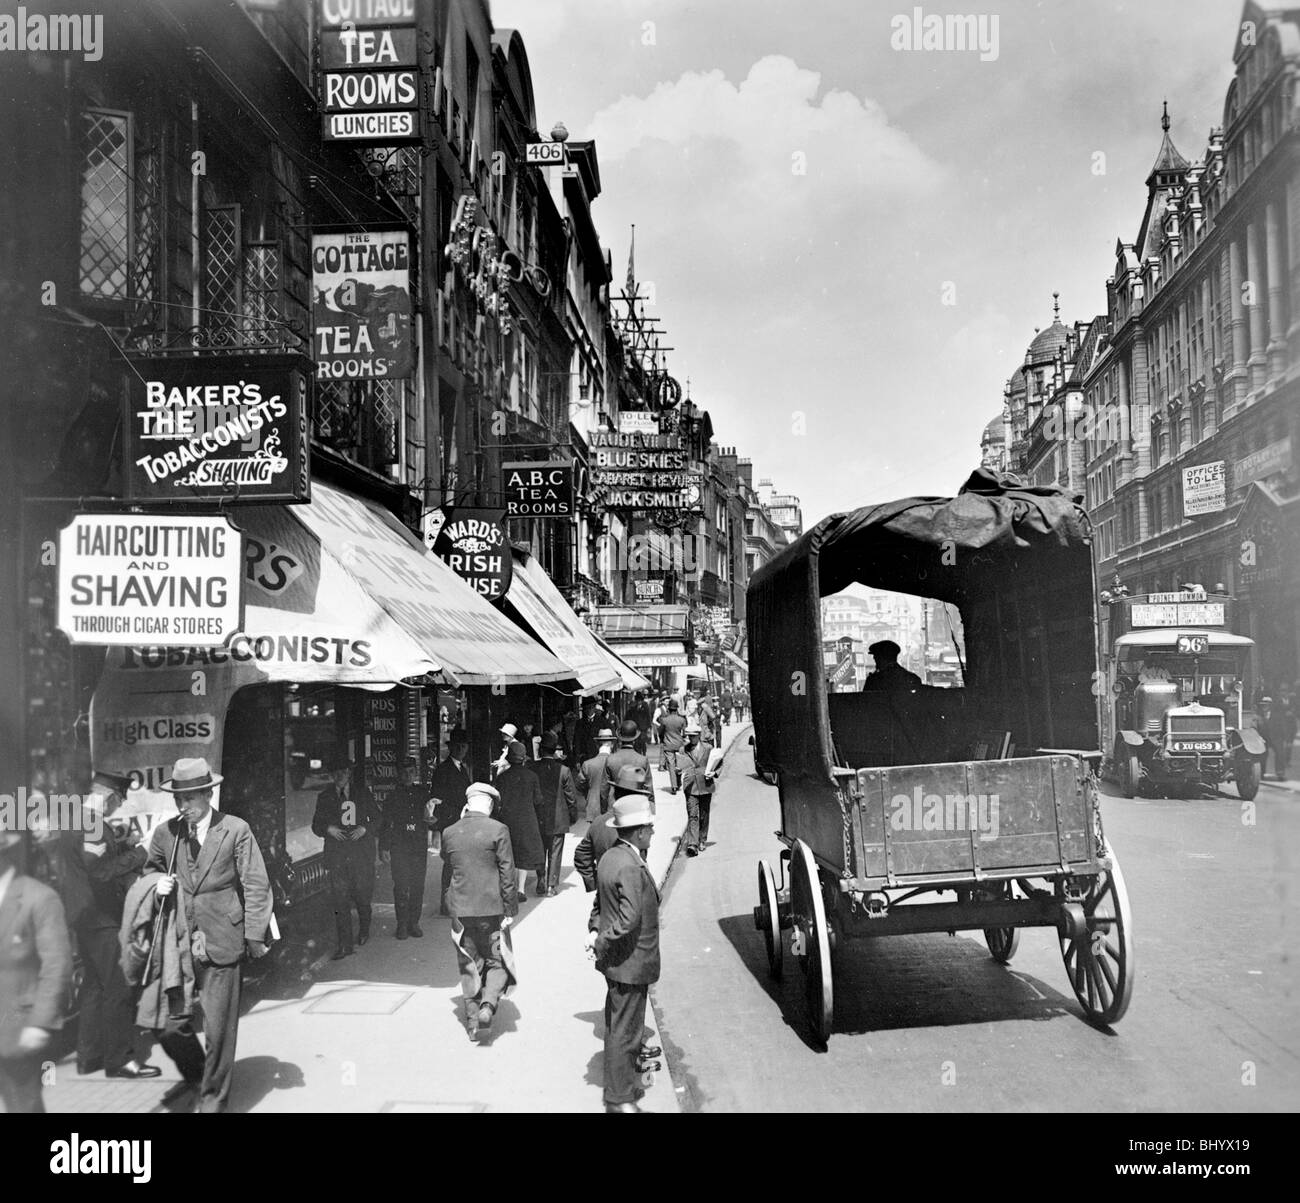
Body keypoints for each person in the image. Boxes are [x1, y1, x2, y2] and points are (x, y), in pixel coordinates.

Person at [146, 757, 272, 1114]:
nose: (182, 806)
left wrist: (253, 935)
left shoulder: (235, 830)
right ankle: (199, 1074)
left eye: (189, 798)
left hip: (222, 939)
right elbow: (144, 877)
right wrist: (157, 885)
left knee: (218, 1032)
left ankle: (213, 1100)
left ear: (207, 794)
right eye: (177, 799)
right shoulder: (164, 834)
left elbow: (255, 883)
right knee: (168, 1025)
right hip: (178, 943)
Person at [76, 772, 159, 1078]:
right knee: (119, 986)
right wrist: (141, 852)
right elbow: (100, 872)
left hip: (86, 918)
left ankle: (89, 1057)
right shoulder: (93, 823)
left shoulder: (79, 818)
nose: (118, 807)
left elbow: (92, 863)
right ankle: (119, 1059)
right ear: (110, 796)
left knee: (94, 986)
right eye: (119, 800)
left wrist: (123, 844)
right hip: (102, 919)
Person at [585, 795, 661, 1114]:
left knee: (619, 1024)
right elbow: (628, 919)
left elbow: (600, 906)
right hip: (631, 960)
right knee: (625, 1032)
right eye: (650, 828)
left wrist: (594, 931)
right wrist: (602, 941)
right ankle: (619, 1099)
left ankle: (624, 1086)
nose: (653, 833)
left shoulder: (610, 857)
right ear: (638, 831)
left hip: (617, 963)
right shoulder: (630, 865)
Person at [0, 817, 73, 1113]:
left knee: (23, 1105)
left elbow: (57, 965)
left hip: (22, 1028)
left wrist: (40, 1022)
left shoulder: (38, 898)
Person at [440, 783, 519, 1042]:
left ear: (468, 803)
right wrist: (510, 908)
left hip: (461, 911)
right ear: (489, 805)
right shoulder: (498, 830)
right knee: (497, 961)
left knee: (468, 963)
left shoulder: (450, 832)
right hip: (491, 910)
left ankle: (473, 1023)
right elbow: (508, 872)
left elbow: (447, 861)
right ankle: (488, 1004)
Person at [311, 752, 382, 959]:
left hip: (360, 855)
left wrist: (365, 829)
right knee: (340, 900)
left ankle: (365, 929)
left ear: (349, 773)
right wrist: (328, 829)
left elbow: (378, 818)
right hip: (337, 856)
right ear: (333, 775)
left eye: (344, 771)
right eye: (337, 772)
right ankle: (345, 944)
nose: (341, 775)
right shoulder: (324, 797)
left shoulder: (362, 793)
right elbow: (316, 825)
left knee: (361, 895)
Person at [574, 765, 651, 930]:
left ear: (615, 793)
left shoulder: (599, 822)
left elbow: (581, 856)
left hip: (606, 902)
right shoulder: (639, 824)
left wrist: (596, 882)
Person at [382, 758, 433, 939]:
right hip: (400, 846)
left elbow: (431, 815)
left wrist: (433, 821)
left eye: (411, 772)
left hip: (418, 845)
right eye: (404, 772)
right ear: (398, 774)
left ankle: (414, 922)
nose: (408, 775)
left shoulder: (423, 793)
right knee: (401, 885)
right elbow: (386, 823)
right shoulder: (393, 796)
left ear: (416, 773)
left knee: (418, 885)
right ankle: (402, 924)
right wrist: (385, 847)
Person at [493, 741, 546, 896]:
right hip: (527, 819)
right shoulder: (532, 776)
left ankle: (509, 887)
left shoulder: (502, 777)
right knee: (523, 854)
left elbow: (497, 799)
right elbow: (538, 800)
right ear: (524, 759)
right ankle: (521, 889)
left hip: (507, 818)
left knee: (509, 853)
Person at [532, 732, 578, 897]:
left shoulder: (532, 768)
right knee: (555, 851)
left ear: (541, 749)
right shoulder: (564, 771)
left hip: (538, 816)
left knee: (540, 849)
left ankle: (540, 879)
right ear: (554, 750)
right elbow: (571, 797)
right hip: (558, 817)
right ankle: (551, 885)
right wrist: (573, 816)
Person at [430, 732, 472, 913]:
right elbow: (438, 800)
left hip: (461, 823)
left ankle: (456, 901)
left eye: (464, 746)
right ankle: (446, 904)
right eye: (458, 746)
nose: (462, 750)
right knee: (450, 863)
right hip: (451, 823)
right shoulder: (443, 770)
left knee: (459, 863)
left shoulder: (462, 768)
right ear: (450, 748)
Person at [681, 721, 722, 856]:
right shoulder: (683, 750)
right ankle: (692, 844)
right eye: (689, 736)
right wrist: (678, 771)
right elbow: (680, 765)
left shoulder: (708, 748)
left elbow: (719, 763)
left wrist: (714, 773)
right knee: (692, 815)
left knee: (704, 815)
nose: (691, 738)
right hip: (690, 786)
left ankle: (702, 839)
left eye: (693, 736)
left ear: (699, 735)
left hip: (705, 784)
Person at [602, 720, 652, 814]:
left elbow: (604, 789)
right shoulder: (642, 760)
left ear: (620, 738)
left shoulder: (610, 759)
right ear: (635, 739)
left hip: (615, 807)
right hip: (636, 807)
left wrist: (605, 811)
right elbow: (648, 789)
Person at [577, 727, 616, 821]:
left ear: (597, 745)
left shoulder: (587, 764)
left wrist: (589, 794)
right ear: (612, 745)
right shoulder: (617, 763)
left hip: (593, 808)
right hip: (613, 809)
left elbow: (580, 784)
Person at [1259, 697, 1297, 780]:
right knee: (1262, 754)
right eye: (1263, 705)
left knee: (1280, 753)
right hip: (1263, 738)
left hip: (1276, 737)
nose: (1265, 707)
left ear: (1270, 706)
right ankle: (1261, 773)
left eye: (1267, 705)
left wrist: (1286, 738)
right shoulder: (1259, 715)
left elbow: (1283, 726)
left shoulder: (1277, 714)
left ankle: (1280, 773)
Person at [657, 698, 688, 792]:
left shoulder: (664, 720)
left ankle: (674, 786)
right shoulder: (682, 720)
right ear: (677, 709)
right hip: (679, 745)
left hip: (668, 745)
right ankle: (678, 783)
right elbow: (684, 733)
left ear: (669, 709)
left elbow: (660, 732)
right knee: (679, 766)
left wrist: (663, 739)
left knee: (671, 766)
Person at [626, 692, 652, 756]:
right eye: (637, 700)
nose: (639, 702)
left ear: (641, 700)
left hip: (643, 728)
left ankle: (644, 753)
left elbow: (648, 716)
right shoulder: (633, 707)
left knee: (642, 742)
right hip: (636, 728)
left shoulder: (645, 706)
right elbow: (631, 717)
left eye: (640, 700)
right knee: (636, 743)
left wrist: (649, 727)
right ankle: (638, 754)